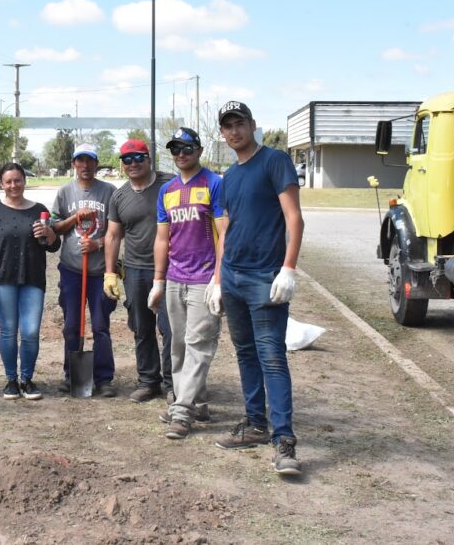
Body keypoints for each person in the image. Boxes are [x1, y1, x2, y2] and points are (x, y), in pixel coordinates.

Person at [211, 101, 305, 476]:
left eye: (240, 123)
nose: (234, 131)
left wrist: (288, 268)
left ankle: (284, 440)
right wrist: (218, 278)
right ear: (222, 133)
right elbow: (226, 230)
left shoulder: (274, 161)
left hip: (265, 277)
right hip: (233, 276)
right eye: (227, 126)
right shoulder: (229, 176)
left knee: (272, 357)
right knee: (245, 354)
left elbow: (294, 217)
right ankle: (254, 424)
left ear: (252, 125)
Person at [147, 127, 226, 440]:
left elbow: (224, 234)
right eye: (176, 149)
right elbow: (162, 238)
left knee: (199, 344)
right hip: (175, 279)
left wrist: (219, 279)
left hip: (204, 280)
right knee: (177, 345)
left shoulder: (215, 184)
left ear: (199, 150)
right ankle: (194, 401)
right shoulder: (166, 191)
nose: (181, 154)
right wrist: (157, 280)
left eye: (187, 148)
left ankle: (181, 412)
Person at [0, 163, 61, 400]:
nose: (13, 186)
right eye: (8, 182)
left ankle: (27, 379)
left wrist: (51, 235)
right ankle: (11, 380)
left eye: (17, 180)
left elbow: (54, 247)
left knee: (31, 331)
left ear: (24, 181)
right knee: (8, 331)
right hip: (2, 279)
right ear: (2, 184)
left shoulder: (40, 211)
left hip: (32, 279)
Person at [103, 139, 175, 403]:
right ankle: (148, 380)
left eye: (138, 158)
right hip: (135, 270)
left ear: (149, 159)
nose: (133, 164)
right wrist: (110, 272)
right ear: (122, 165)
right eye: (127, 160)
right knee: (141, 327)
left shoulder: (169, 185)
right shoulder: (119, 196)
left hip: (170, 269)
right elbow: (112, 235)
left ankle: (172, 384)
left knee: (170, 328)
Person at [52, 143, 118, 396]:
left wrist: (98, 243)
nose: (85, 166)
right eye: (80, 161)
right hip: (71, 269)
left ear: (96, 163)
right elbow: (56, 227)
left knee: (100, 325)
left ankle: (104, 378)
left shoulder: (109, 192)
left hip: (99, 270)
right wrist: (75, 217)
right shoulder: (64, 192)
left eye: (90, 161)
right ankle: (72, 375)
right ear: (74, 164)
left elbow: (115, 230)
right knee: (71, 325)